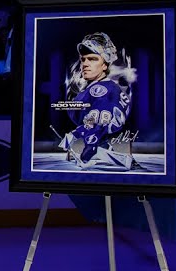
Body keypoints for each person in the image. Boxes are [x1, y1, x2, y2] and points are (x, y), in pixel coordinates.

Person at [58, 31, 137, 170]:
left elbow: (96, 125)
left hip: (97, 139)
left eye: (93, 59)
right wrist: (75, 134)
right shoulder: (101, 87)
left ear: (105, 65)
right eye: (83, 59)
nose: (85, 64)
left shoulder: (102, 91)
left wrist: (87, 151)